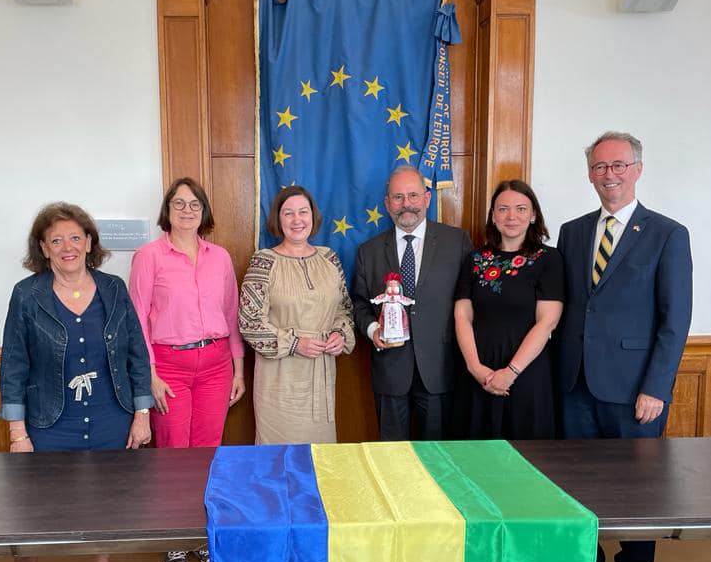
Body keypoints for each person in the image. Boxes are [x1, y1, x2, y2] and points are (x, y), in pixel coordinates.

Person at [0, 202, 153, 562]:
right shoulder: (27, 295)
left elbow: (137, 354)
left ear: (89, 242)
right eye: (57, 240)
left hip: (110, 414)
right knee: (34, 511)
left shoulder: (114, 289)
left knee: (105, 502)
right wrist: (18, 432)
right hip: (49, 420)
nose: (68, 246)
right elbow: (13, 364)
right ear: (43, 248)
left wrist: (141, 414)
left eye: (75, 237)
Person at [557, 131, 693, 562]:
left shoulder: (667, 234)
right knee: (578, 483)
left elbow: (675, 320)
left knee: (639, 486)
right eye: (599, 167)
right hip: (575, 383)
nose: (608, 175)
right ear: (589, 174)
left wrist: (656, 387)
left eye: (617, 165)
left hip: (635, 388)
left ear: (637, 169)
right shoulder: (572, 232)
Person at [129, 177, 245, 562]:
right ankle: (175, 539)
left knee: (208, 452)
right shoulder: (149, 256)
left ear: (204, 211)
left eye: (194, 204)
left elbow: (231, 313)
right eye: (178, 203)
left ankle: (201, 536)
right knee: (174, 453)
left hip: (216, 364)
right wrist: (150, 374)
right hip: (169, 367)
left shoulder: (220, 258)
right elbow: (137, 319)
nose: (187, 210)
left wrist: (238, 369)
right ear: (167, 210)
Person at [352, 166, 472, 440]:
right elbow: (359, 303)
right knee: (392, 456)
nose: (406, 204)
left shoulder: (457, 242)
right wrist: (373, 330)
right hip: (390, 369)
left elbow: (470, 301)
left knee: (439, 455)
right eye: (398, 197)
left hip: (440, 368)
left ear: (427, 198)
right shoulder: (368, 252)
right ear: (387, 203)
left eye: (413, 195)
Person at [239, 185, 355, 444]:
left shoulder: (329, 259)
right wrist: (294, 343)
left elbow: (344, 310)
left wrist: (339, 333)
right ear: (278, 219)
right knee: (280, 455)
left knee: (320, 456)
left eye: (303, 212)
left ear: (313, 216)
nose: (297, 219)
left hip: (321, 376)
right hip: (279, 378)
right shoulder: (263, 262)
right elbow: (249, 322)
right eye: (288, 213)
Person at [455, 180, 564, 440]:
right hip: (479, 372)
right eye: (503, 209)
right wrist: (475, 368)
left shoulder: (549, 259)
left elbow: (547, 322)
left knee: (526, 454)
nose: (511, 216)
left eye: (521, 209)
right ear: (493, 216)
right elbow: (462, 316)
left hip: (527, 372)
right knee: (476, 453)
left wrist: (511, 372)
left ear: (533, 215)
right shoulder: (475, 259)